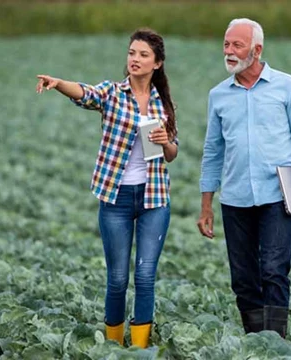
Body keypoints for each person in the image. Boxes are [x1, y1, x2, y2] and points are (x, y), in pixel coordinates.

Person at [36, 28, 178, 348]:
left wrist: (165, 141)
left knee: (144, 277)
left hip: (154, 197)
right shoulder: (113, 93)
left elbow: (172, 153)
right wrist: (59, 84)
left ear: (157, 63)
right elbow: (85, 93)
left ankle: (139, 349)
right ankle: (113, 348)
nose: (135, 60)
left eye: (143, 55)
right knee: (117, 279)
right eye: (131, 53)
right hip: (116, 198)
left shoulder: (163, 103)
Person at [197, 18, 291, 338]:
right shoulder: (219, 95)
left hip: (278, 196)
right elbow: (212, 151)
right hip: (235, 198)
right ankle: (257, 342)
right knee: (242, 279)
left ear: (257, 50)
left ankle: (276, 343)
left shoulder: (286, 86)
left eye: (237, 45)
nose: (229, 52)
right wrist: (206, 205)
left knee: (273, 271)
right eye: (226, 44)